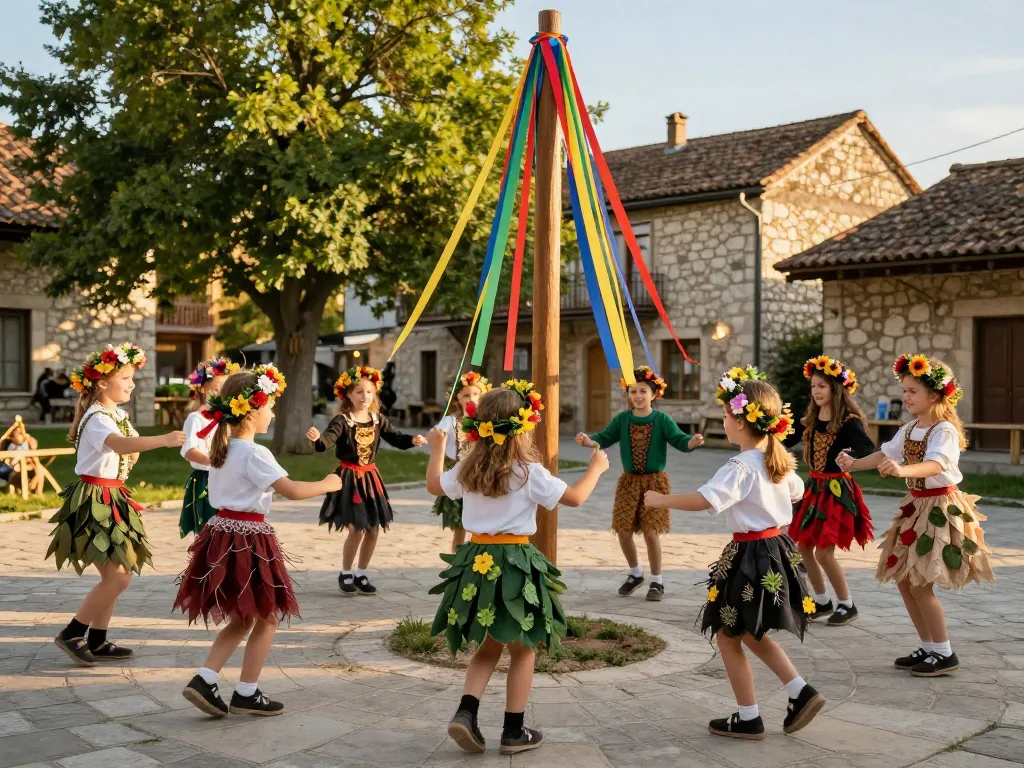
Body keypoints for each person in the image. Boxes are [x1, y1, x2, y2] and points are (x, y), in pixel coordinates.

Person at [426, 380, 610, 754]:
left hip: (476, 563)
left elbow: (433, 485)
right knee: (524, 648)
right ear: (523, 427)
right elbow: (575, 497)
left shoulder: (468, 467)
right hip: (513, 564)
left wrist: (438, 449)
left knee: (487, 648)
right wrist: (597, 468)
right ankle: (513, 731)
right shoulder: (527, 471)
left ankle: (466, 712)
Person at [645, 366, 823, 740]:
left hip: (751, 554)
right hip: (777, 550)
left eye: (726, 415)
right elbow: (796, 491)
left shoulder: (741, 465)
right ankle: (798, 691)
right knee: (748, 631)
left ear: (741, 421)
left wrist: (661, 500)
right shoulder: (776, 460)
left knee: (729, 635)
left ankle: (750, 716)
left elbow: (706, 499)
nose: (724, 421)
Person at [175, 365, 341, 717]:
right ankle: (246, 692)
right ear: (252, 410)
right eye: (271, 407)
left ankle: (205, 678)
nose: (273, 414)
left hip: (221, 534)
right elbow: (291, 490)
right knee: (266, 617)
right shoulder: (254, 453)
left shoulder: (222, 448)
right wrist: (327, 484)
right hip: (248, 540)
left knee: (241, 619)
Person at [838, 355, 994, 676]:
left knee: (921, 582)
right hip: (916, 506)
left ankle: (945, 653)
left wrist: (901, 471)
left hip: (939, 508)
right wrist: (854, 465)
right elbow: (884, 454)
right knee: (905, 581)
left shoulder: (944, 431)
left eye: (912, 391)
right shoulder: (910, 429)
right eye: (905, 390)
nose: (905, 397)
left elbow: (935, 465)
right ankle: (930, 646)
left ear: (934, 395)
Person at [46, 344, 185, 666]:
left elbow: (127, 449)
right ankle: (72, 633)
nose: (132, 384)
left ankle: (97, 640)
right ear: (102, 383)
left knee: (119, 573)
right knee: (118, 577)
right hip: (94, 499)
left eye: (132, 378)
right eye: (125, 378)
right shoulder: (97, 418)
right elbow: (120, 445)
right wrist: (163, 440)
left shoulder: (116, 415)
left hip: (112, 497)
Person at [576, 366, 704, 601]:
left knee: (650, 532)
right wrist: (588, 441)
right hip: (628, 483)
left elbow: (679, 439)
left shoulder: (662, 420)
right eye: (633, 391)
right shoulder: (622, 420)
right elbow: (604, 437)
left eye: (643, 391)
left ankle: (657, 581)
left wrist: (692, 442)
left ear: (654, 394)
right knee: (623, 530)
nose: (638, 396)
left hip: (655, 484)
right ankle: (636, 574)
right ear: (628, 394)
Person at [307, 365, 427, 596]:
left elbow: (396, 438)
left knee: (372, 529)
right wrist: (317, 440)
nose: (365, 396)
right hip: (349, 480)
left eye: (369, 392)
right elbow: (326, 442)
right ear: (348, 395)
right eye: (359, 392)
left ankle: (361, 573)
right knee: (355, 528)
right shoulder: (342, 420)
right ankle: (345, 572)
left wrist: (413, 440)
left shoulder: (377, 419)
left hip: (370, 479)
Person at [787, 356, 876, 626]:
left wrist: (850, 456)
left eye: (822, 386)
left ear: (836, 389)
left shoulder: (848, 422)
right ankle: (823, 600)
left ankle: (847, 604)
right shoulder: (811, 421)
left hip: (836, 491)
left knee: (824, 552)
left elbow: (867, 449)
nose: (816, 391)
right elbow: (784, 439)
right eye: (813, 386)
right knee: (804, 547)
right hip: (814, 488)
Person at [178, 357, 239, 537]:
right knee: (207, 525)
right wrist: (213, 461)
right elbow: (189, 450)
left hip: (228, 476)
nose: (224, 392)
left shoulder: (228, 419)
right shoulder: (196, 419)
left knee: (228, 523)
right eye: (219, 387)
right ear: (204, 389)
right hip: (206, 478)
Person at [432, 371, 491, 552]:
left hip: (481, 473)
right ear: (456, 398)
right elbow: (434, 434)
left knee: (482, 523)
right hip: (458, 474)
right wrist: (435, 437)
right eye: (466, 395)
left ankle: (479, 557)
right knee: (460, 526)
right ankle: (457, 560)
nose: (471, 399)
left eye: (476, 394)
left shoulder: (486, 421)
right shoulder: (450, 421)